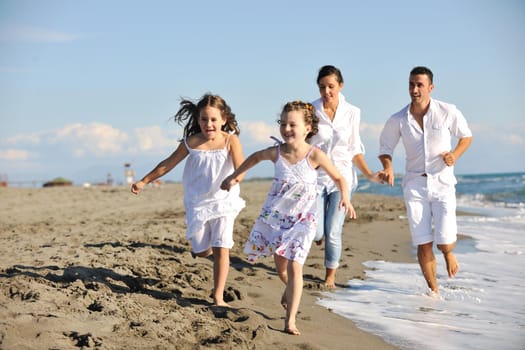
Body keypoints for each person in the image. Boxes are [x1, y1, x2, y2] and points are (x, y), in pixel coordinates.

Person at [221, 100, 356, 336]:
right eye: (283, 124)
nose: (287, 128)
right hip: (276, 218)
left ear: (308, 128)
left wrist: (346, 198)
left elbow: (339, 178)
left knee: (295, 267)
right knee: (281, 268)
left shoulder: (315, 155)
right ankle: (290, 289)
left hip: (303, 220)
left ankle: (290, 320)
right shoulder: (277, 152)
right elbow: (253, 158)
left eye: (292, 124)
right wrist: (235, 175)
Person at [131, 93, 245, 307]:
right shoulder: (192, 142)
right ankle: (208, 249)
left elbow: (241, 168)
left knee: (222, 247)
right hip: (198, 203)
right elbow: (167, 164)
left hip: (223, 202)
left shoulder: (231, 140)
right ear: (197, 120)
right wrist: (144, 181)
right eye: (203, 119)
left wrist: (233, 179)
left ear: (224, 119)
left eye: (213, 119)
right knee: (202, 250)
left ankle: (218, 296)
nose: (208, 124)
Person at [378, 66, 473, 294]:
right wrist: (388, 167)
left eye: (419, 84)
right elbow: (385, 147)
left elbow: (466, 136)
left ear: (431, 87)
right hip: (415, 185)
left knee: (444, 240)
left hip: (443, 182)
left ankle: (449, 253)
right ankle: (434, 291)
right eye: (411, 84)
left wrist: (454, 155)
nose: (414, 89)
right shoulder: (399, 119)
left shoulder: (447, 111)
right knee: (422, 242)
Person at [309, 65, 381, 288]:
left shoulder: (352, 112)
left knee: (332, 231)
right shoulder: (310, 110)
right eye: (322, 87)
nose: (327, 91)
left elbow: (354, 148)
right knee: (317, 231)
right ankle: (319, 236)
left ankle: (330, 276)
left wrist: (368, 173)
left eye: (331, 86)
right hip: (316, 178)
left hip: (342, 180)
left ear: (340, 86)